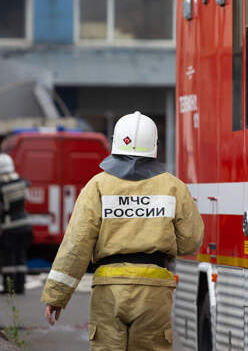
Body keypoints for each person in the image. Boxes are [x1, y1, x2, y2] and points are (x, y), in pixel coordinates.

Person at [41, 111, 204, 351]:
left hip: (109, 290)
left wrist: (56, 296)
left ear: (116, 142)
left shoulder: (97, 186)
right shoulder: (173, 187)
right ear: (154, 146)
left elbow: (77, 244)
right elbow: (191, 240)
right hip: (155, 291)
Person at [0, 153, 33, 295]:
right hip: (24, 225)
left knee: (8, 258)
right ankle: (21, 287)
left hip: (9, 227)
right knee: (21, 256)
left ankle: (9, 288)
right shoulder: (22, 182)